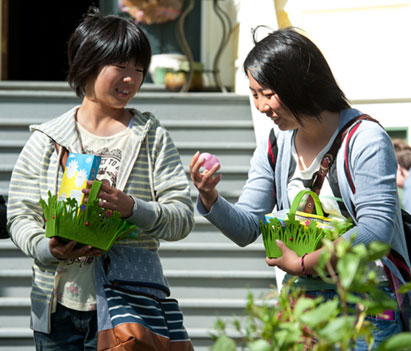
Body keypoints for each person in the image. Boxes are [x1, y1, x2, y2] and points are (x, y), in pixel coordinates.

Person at [189, 27, 410, 349]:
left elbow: (376, 228)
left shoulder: (364, 138)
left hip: (367, 305)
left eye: (267, 93)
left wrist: (307, 263)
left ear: (299, 84)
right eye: (254, 95)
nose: (261, 107)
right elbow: (248, 228)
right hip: (301, 305)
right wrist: (209, 197)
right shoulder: (276, 144)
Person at [7, 7, 194, 351]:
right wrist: (46, 248)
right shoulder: (48, 139)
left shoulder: (149, 137)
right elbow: (20, 214)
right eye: (121, 67)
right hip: (56, 308)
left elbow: (182, 217)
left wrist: (132, 207)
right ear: (87, 63)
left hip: (128, 308)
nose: (132, 79)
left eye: (139, 69)